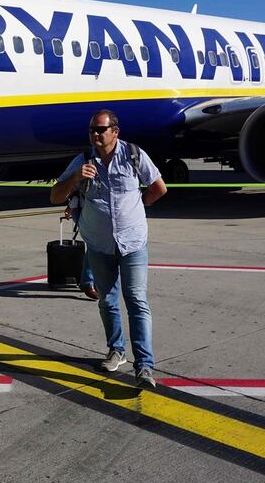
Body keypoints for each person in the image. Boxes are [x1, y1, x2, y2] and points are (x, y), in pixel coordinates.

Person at [50, 110, 167, 389]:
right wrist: (75, 178)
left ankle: (144, 366)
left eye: (100, 129)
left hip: (132, 243)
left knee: (136, 300)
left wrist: (137, 208)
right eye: (92, 129)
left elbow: (158, 188)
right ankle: (116, 350)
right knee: (107, 301)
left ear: (115, 131)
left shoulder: (133, 155)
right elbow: (55, 196)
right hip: (99, 245)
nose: (95, 134)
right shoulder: (83, 160)